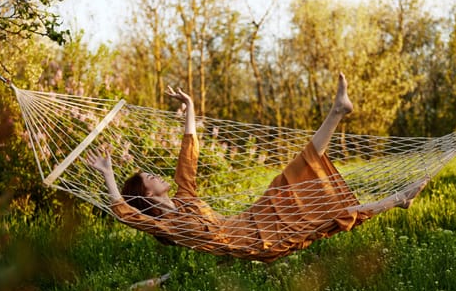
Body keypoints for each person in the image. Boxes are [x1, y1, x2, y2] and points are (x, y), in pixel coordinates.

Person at [87, 73, 428, 263]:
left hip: (255, 218)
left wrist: (190, 106)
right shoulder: (171, 226)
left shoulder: (185, 199)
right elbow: (124, 214)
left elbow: (188, 155)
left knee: (293, 176)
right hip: (257, 242)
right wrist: (107, 174)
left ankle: (337, 111)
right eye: (149, 178)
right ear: (146, 195)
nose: (156, 175)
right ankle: (400, 197)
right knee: (326, 216)